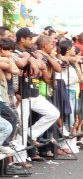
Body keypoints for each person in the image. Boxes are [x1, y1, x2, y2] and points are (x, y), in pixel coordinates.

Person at [13, 28, 59, 162]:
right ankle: (19, 159)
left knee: (53, 113)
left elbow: (41, 68)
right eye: (29, 38)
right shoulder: (15, 52)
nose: (31, 41)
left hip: (33, 92)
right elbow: (22, 65)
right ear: (22, 39)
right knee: (21, 125)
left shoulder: (30, 52)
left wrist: (34, 61)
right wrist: (31, 60)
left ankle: (31, 134)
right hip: (22, 94)